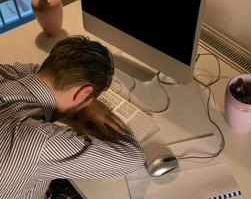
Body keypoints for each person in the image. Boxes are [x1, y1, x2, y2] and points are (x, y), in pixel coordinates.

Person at [0, 35, 145, 199]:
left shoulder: (5, 74)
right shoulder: (41, 141)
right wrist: (95, 110)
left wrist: (88, 104)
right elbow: (133, 159)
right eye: (88, 98)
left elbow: (35, 71)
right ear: (84, 93)